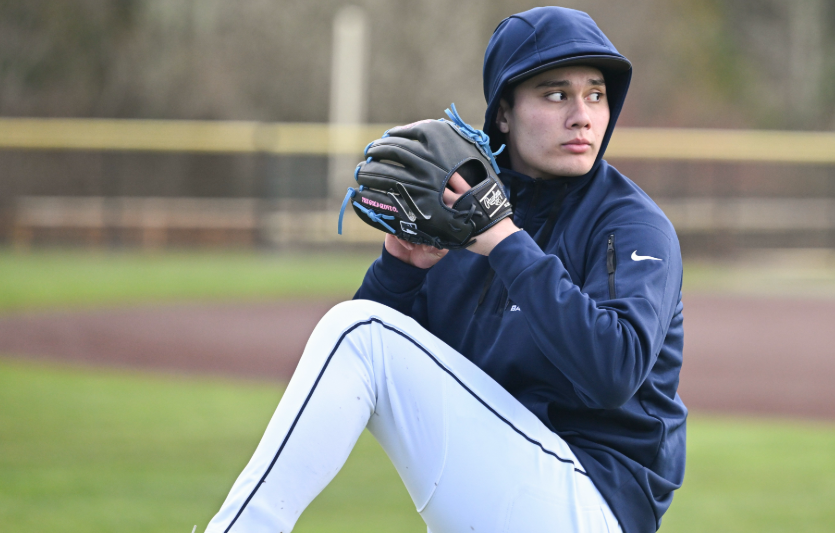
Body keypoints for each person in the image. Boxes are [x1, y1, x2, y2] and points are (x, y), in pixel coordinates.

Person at [204, 7, 685, 533]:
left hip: (589, 502)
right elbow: (374, 380)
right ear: (503, 112)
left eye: (595, 94)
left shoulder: (632, 224)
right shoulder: (461, 213)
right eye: (555, 94)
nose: (583, 115)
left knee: (356, 329)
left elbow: (614, 371)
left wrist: (507, 243)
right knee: (361, 323)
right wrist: (399, 269)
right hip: (499, 490)